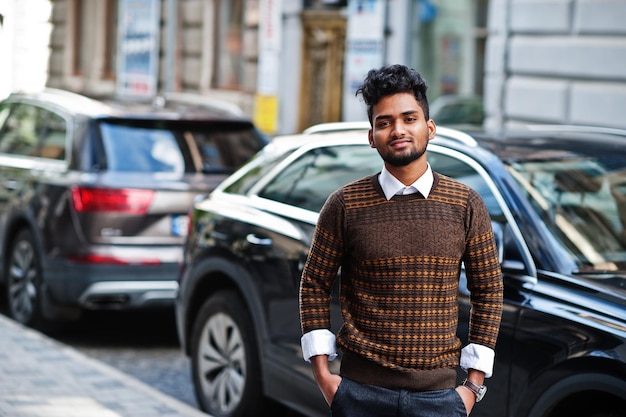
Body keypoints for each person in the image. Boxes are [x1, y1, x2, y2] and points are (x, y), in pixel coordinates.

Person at [298, 64, 504, 417]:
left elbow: (489, 290)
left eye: (409, 118)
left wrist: (471, 386)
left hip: (439, 399)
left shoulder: (465, 203)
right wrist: (323, 374)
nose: (398, 130)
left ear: (430, 127)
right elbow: (314, 283)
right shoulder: (345, 204)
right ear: (371, 135)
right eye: (384, 122)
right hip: (359, 394)